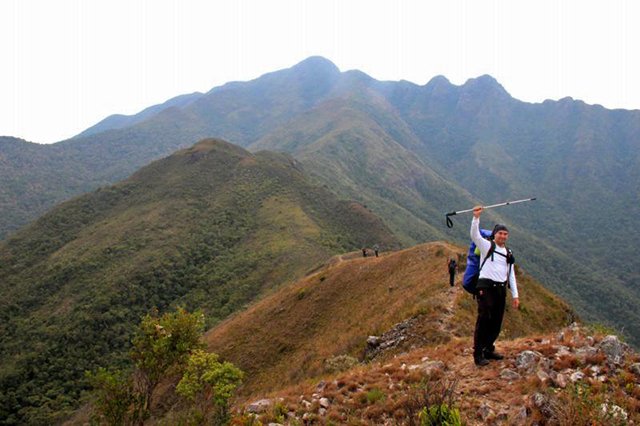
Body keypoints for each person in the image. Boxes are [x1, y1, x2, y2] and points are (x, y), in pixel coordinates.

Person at [470, 206, 519, 366]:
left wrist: (515, 295)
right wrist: (476, 218)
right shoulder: (487, 246)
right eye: (500, 233)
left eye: (505, 234)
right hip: (485, 287)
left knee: (496, 321)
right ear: (494, 234)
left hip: (500, 289)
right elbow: (475, 236)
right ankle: (477, 354)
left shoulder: (508, 253)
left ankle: (488, 349)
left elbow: (510, 273)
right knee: (484, 319)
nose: (503, 236)